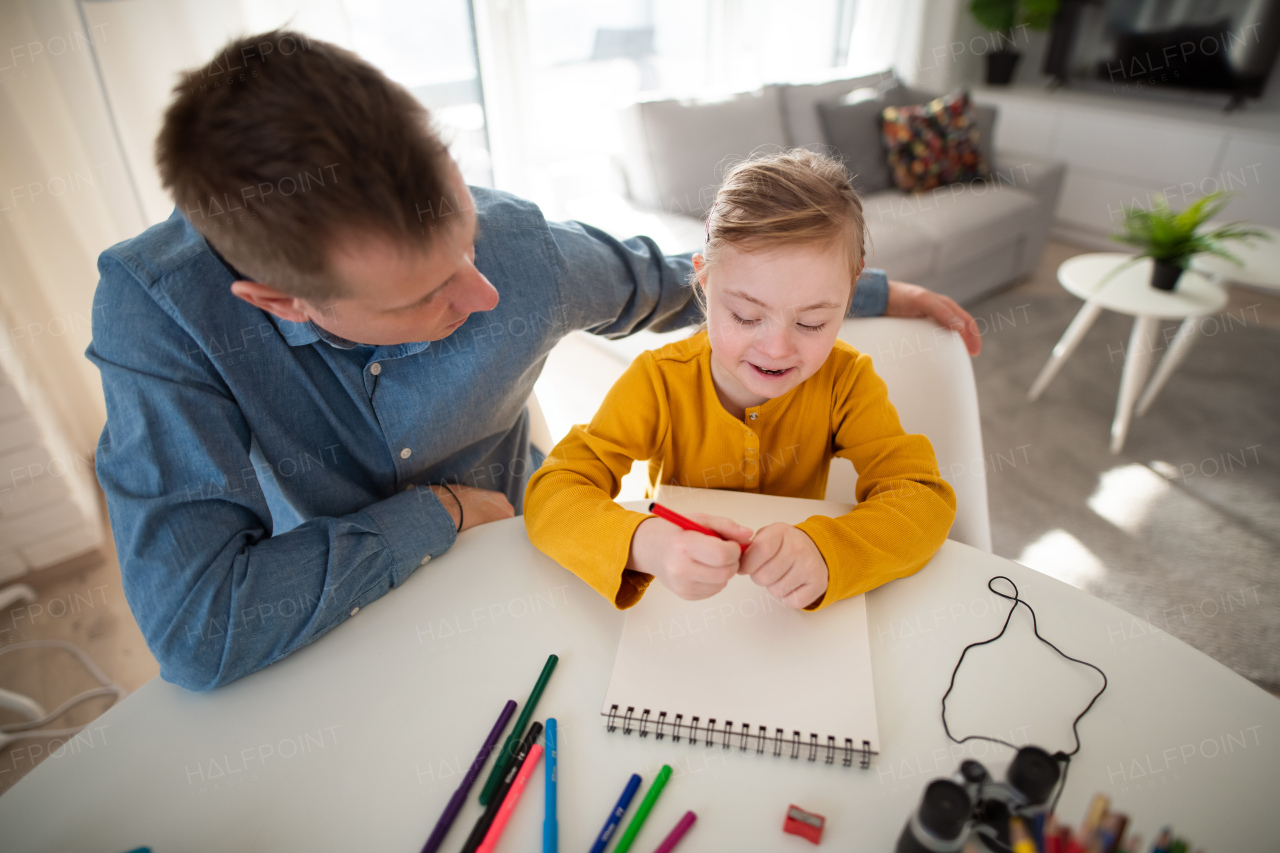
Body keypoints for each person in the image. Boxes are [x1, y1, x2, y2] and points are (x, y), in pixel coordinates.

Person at [86, 30, 980, 691]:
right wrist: (437, 513)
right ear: (285, 302)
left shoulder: (521, 252)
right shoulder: (159, 313)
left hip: (528, 579)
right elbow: (204, 626)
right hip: (330, 612)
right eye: (427, 299)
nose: (484, 298)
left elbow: (686, 282)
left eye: (467, 241)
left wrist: (862, 296)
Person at [524, 150, 957, 612]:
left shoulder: (846, 382)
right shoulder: (658, 381)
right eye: (746, 316)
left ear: (851, 294)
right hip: (676, 607)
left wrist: (831, 551)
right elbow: (553, 491)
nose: (776, 349)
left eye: (811, 323)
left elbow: (922, 497)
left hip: (789, 620)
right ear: (704, 282)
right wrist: (647, 546)